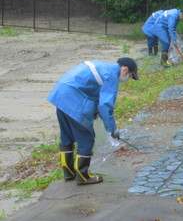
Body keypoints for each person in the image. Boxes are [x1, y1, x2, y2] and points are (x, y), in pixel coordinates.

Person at [47, 57, 139, 185]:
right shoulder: (111, 75)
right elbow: (106, 105)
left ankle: (68, 173)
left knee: (67, 136)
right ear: (125, 69)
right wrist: (112, 128)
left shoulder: (103, 66)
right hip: (74, 100)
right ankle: (83, 175)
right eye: (129, 76)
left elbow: (92, 91)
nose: (127, 79)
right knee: (86, 138)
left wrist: (96, 112)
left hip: (61, 95)